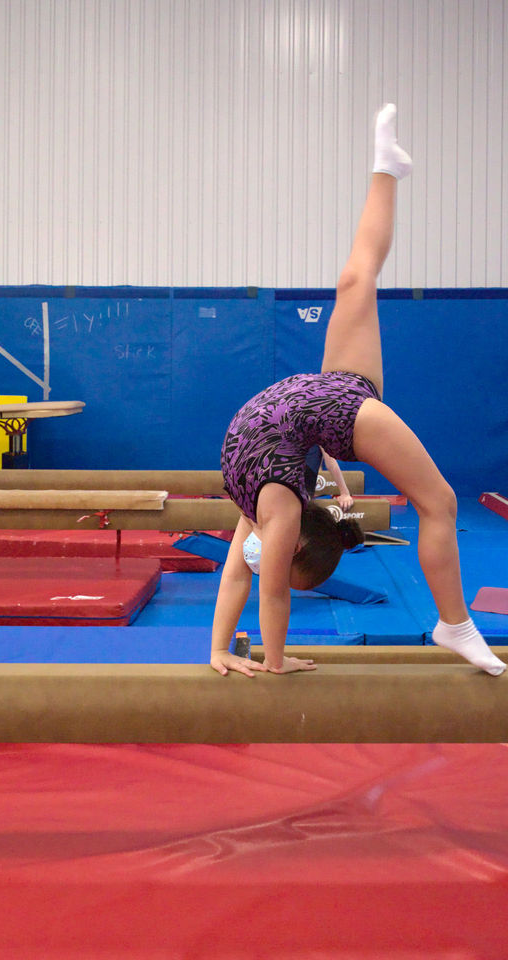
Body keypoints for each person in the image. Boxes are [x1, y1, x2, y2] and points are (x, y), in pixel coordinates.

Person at [211, 104, 505, 679]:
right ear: (297, 542)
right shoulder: (271, 513)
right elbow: (252, 582)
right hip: (322, 406)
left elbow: (257, 586)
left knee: (355, 279)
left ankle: (385, 168)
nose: (265, 559)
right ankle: (457, 624)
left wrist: (257, 657)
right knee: (439, 503)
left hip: (330, 398)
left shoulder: (270, 515)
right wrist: (244, 654)